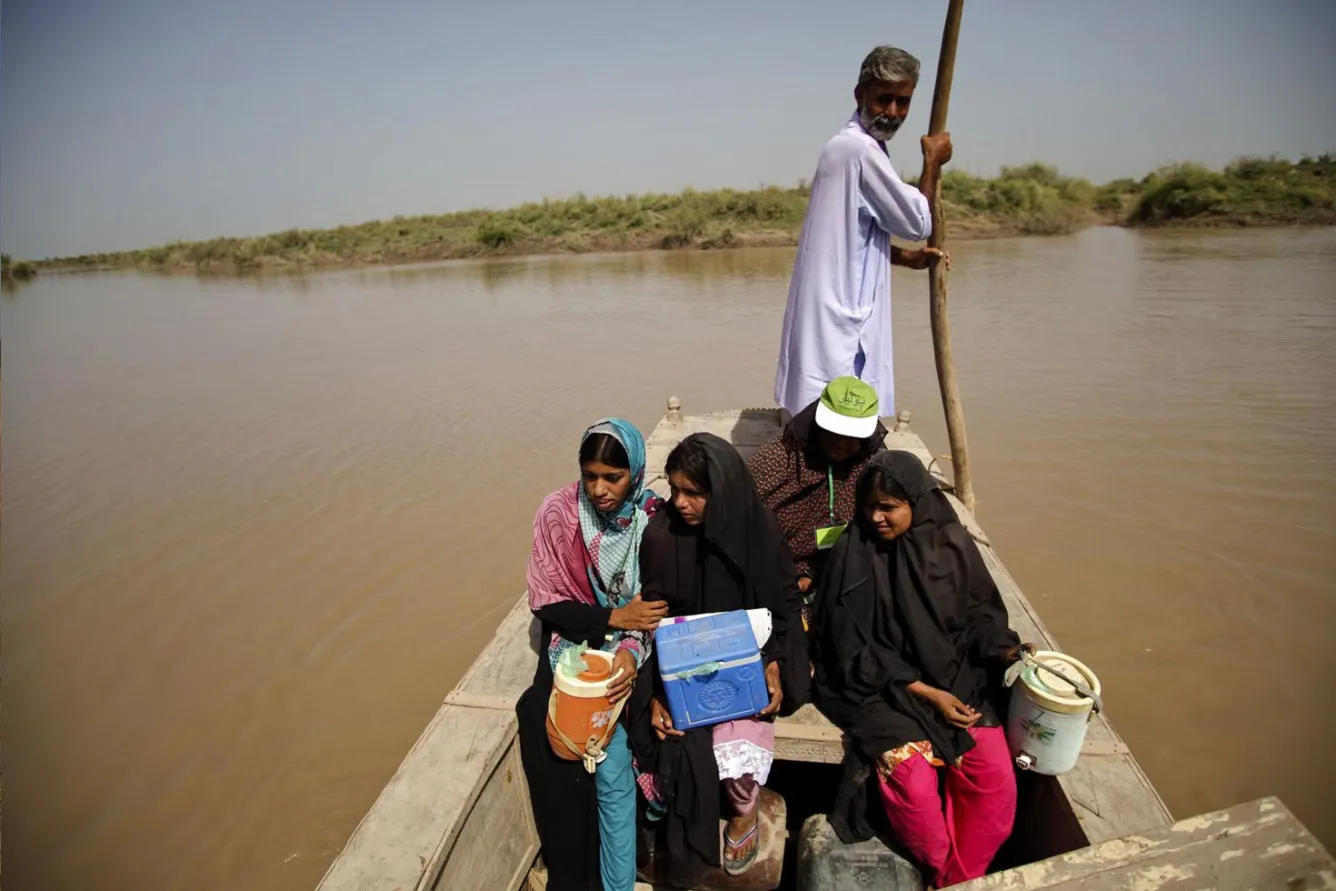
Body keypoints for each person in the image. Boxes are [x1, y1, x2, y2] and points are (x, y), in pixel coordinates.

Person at [812, 451, 1033, 888]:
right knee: (912, 790)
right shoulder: (852, 553)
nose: (876, 516)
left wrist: (1008, 653)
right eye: (869, 506)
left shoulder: (951, 547)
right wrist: (927, 693)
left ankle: (957, 879)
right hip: (880, 687)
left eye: (889, 507)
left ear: (916, 502)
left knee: (995, 784)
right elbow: (849, 647)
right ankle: (941, 869)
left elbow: (981, 618)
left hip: (957, 677)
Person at [635, 433, 809, 882]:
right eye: (674, 489)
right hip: (682, 664)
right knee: (668, 736)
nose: (680, 502)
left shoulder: (759, 528)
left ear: (724, 491)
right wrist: (657, 691)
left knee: (738, 745)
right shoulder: (661, 537)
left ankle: (744, 814)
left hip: (748, 657)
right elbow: (654, 622)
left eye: (694, 492)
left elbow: (784, 602)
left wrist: (774, 661)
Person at [515, 419, 669, 891]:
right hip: (574, 641)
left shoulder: (654, 518)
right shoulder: (558, 512)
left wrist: (626, 651)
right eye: (589, 475)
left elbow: (655, 607)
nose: (599, 490)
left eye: (613, 477)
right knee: (554, 737)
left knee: (618, 762)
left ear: (636, 473)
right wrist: (611, 619)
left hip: (635, 650)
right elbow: (546, 600)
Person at [773, 44, 954, 418]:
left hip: (831, 313)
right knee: (836, 419)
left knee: (832, 416)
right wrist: (933, 163)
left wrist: (906, 258)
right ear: (860, 95)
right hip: (840, 320)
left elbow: (853, 239)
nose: (892, 112)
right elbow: (918, 223)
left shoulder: (849, 148)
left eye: (902, 102)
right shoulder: (858, 151)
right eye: (883, 99)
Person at [747, 376, 888, 628]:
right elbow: (739, 516)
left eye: (852, 436)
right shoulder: (778, 458)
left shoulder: (871, 467)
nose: (841, 444)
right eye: (833, 432)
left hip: (839, 570)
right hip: (776, 572)